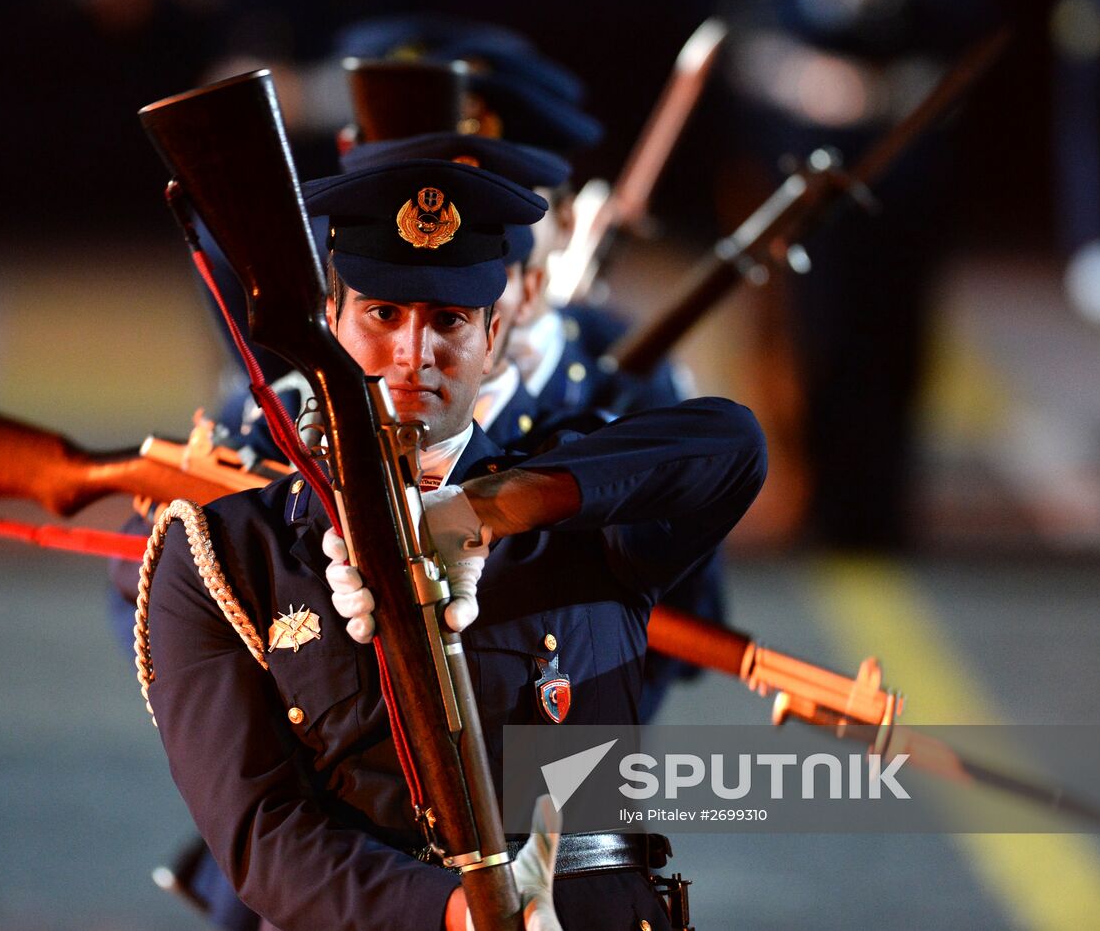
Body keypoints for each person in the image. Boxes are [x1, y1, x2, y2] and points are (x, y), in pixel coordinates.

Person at [137, 157, 766, 931]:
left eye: (448, 321)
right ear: (330, 321)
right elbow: (262, 836)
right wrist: (463, 913)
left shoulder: (578, 519)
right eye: (382, 314)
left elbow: (732, 444)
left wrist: (482, 511)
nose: (414, 352)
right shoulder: (230, 555)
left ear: (493, 336)